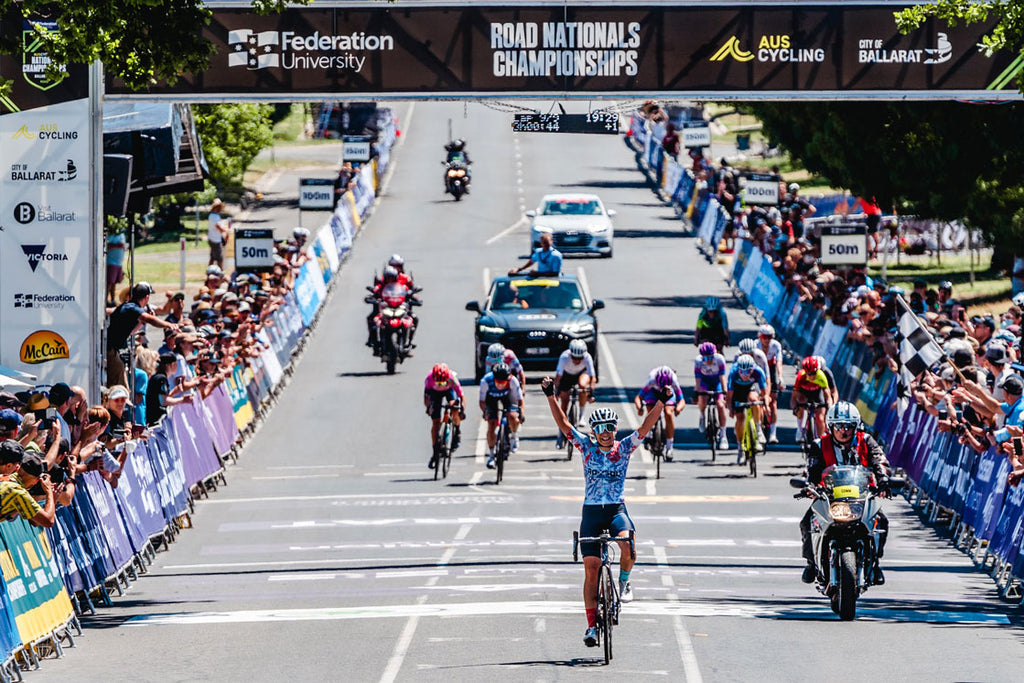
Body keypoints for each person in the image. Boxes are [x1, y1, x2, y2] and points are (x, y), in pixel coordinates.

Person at [541, 376, 669, 648]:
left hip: (615, 509)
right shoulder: (586, 447)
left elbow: (645, 426)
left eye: (610, 427)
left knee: (628, 544)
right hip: (591, 512)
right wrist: (551, 395)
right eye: (601, 428)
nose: (607, 432)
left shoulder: (623, 448)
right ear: (595, 431)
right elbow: (564, 425)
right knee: (591, 569)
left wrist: (661, 401)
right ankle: (590, 626)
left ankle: (624, 582)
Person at [799, 402, 891, 585]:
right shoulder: (819, 444)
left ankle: (876, 563)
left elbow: (879, 461)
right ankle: (810, 563)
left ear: (855, 427)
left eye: (848, 426)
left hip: (861, 495)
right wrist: (809, 486)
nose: (843, 431)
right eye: (839, 426)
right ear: (830, 426)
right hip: (829, 496)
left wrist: (884, 482)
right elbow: (813, 469)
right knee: (806, 522)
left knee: (883, 521)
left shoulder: (866, 441)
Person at [106, 281, 178, 388]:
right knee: (119, 381)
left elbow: (131, 331)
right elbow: (149, 319)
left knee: (121, 377)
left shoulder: (130, 307)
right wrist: (169, 325)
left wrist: (142, 322)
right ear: (146, 297)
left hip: (112, 349)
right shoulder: (132, 307)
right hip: (110, 349)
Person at [633, 366, 685, 461]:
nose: (661, 389)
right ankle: (649, 434)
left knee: (668, 413)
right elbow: (639, 397)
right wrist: (639, 408)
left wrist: (678, 409)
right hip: (653, 392)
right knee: (650, 406)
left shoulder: (673, 380)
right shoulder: (651, 380)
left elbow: (682, 400)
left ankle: (669, 447)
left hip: (668, 393)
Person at [0, 440, 55, 527]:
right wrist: (49, 491)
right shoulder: (19, 493)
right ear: (37, 480)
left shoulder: (4, 477)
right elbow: (48, 521)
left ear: (18, 468)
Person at [479, 362, 522, 468]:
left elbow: (520, 401)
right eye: (499, 381)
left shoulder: (513, 381)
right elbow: (482, 401)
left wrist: (520, 415)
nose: (501, 384)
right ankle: (491, 456)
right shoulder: (486, 381)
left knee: (512, 417)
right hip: (491, 399)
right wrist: (485, 412)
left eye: (504, 381)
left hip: (508, 397)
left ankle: (514, 435)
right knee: (492, 424)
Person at [726, 354, 766, 464]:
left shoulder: (758, 371)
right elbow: (729, 396)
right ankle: (740, 449)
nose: (745, 375)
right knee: (740, 418)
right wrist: (730, 409)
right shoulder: (733, 372)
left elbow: (764, 393)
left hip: (751, 388)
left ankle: (758, 430)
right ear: (738, 370)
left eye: (748, 372)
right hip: (738, 391)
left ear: (752, 369)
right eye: (742, 372)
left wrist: (765, 403)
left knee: (754, 399)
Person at [424, 363, 464, 468]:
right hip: (435, 393)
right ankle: (435, 452)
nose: (441, 384)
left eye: (443, 382)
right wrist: (429, 408)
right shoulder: (429, 379)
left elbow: (461, 396)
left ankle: (457, 430)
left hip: (449, 391)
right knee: (436, 422)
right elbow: (426, 397)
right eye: (438, 382)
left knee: (454, 406)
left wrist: (461, 410)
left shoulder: (452, 378)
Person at [554, 339, 597, 430]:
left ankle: (581, 416)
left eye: (580, 358)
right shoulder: (564, 356)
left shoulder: (587, 357)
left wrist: (591, 393)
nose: (577, 361)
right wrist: (556, 392)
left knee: (582, 385)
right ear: (571, 354)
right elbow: (558, 376)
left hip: (581, 374)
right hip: (567, 376)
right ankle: (562, 424)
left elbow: (592, 377)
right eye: (574, 358)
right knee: (564, 401)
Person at [694, 341, 730, 449]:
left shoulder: (719, 359)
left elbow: (722, 377)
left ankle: (723, 435)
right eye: (705, 358)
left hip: (716, 382)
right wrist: (697, 392)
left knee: (720, 405)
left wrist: (724, 392)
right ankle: (702, 415)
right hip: (705, 382)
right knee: (703, 397)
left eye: (711, 358)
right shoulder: (698, 361)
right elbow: (698, 380)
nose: (708, 361)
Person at [791, 356, 834, 442]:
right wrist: (795, 407)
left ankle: (821, 440)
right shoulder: (800, 377)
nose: (812, 376)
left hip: (817, 394)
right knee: (800, 405)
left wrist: (830, 408)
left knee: (820, 417)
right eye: (809, 374)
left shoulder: (821, 375)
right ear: (805, 372)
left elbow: (827, 394)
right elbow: (794, 396)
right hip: (804, 393)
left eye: (814, 373)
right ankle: (799, 431)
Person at [145, 353, 193, 425]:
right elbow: (163, 401)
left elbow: (160, 398)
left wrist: (174, 392)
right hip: (156, 419)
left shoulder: (158, 377)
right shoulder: (161, 378)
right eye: (175, 364)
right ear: (170, 365)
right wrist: (182, 400)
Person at [757, 324, 785, 444]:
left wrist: (780, 378)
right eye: (764, 337)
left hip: (771, 369)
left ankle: (773, 433)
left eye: (770, 337)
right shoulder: (755, 345)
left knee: (773, 403)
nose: (767, 340)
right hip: (758, 370)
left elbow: (779, 363)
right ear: (760, 337)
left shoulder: (776, 345)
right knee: (758, 399)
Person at [207, 198, 231, 268]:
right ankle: (221, 273)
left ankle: (209, 271)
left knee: (212, 257)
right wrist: (226, 231)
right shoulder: (214, 216)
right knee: (220, 258)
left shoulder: (212, 215)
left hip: (212, 238)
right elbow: (218, 227)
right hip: (215, 240)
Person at [106, 230, 127, 306]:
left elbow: (122, 245)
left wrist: (124, 247)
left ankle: (112, 300)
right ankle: (105, 300)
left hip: (119, 262)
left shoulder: (122, 234)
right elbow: (106, 245)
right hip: (111, 262)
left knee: (114, 283)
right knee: (109, 282)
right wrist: (118, 246)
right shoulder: (112, 234)